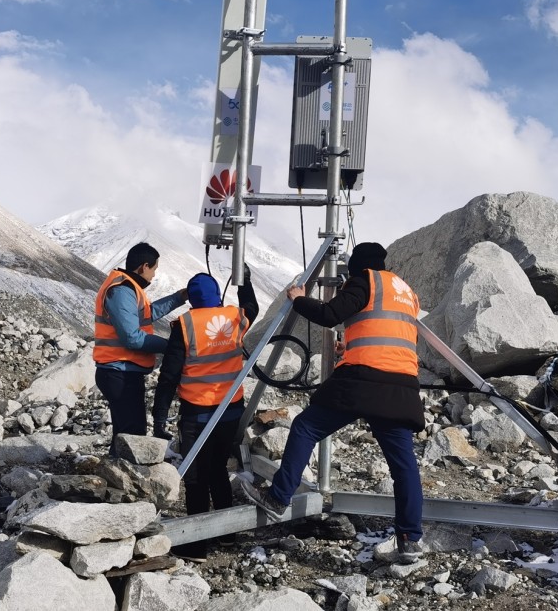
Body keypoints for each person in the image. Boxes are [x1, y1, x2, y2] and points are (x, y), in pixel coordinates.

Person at [240, 242, 426, 564]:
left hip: (362, 382)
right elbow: (385, 333)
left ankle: (278, 497)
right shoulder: (405, 291)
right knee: (403, 466)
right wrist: (349, 348)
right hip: (401, 387)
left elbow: (330, 315)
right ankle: (409, 538)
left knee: (306, 427)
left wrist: (299, 299)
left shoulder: (365, 280)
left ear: (357, 267)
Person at [152, 267, 258, 562]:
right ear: (216, 294)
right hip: (229, 411)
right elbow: (253, 307)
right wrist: (245, 281)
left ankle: (196, 544)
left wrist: (159, 413)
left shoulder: (184, 325)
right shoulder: (235, 317)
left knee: (196, 476)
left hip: (197, 415)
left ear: (193, 300)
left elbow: (169, 375)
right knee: (218, 469)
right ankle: (227, 533)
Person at [93, 242, 188, 455]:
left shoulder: (127, 288)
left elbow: (146, 314)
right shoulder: (121, 290)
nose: (154, 275)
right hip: (118, 372)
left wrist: (178, 298)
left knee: (125, 433)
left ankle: (115, 475)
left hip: (121, 371)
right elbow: (132, 338)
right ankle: (125, 481)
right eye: (154, 269)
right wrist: (173, 347)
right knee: (132, 435)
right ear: (144, 266)